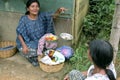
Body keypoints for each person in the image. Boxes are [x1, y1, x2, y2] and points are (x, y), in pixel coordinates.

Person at [16, 0, 66, 66]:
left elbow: (53, 16)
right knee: (29, 51)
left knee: (50, 48)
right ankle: (36, 58)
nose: (35, 8)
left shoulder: (42, 16)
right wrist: (24, 45)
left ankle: (40, 58)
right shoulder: (24, 19)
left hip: (41, 41)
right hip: (28, 43)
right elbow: (19, 32)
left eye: (37, 6)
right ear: (28, 8)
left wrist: (59, 11)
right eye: (32, 6)